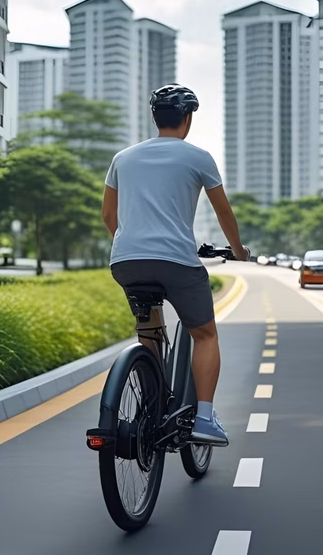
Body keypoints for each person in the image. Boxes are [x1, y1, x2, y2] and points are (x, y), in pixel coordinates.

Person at [102, 84, 249, 447]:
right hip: (177, 263)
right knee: (205, 333)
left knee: (149, 330)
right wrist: (238, 250)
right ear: (188, 118)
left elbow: (109, 216)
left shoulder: (123, 158)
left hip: (126, 260)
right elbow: (224, 213)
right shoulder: (198, 157)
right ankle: (204, 418)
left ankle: (151, 400)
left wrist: (132, 244)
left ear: (154, 118)